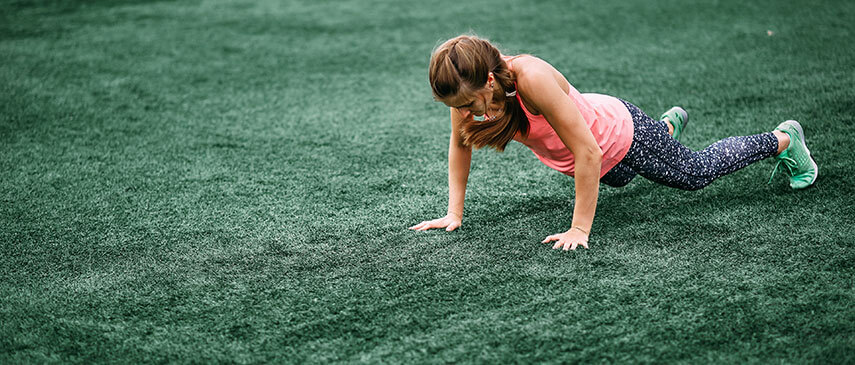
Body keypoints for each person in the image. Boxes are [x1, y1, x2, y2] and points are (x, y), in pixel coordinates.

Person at [408, 35, 818, 251]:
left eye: (470, 103)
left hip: (617, 132)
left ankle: (783, 140)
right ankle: (665, 132)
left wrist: (579, 228)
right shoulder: (464, 92)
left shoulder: (530, 78)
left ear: (491, 80)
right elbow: (459, 145)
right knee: (619, 178)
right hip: (596, 151)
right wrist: (453, 213)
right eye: (459, 106)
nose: (469, 113)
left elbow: (588, 151)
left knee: (692, 174)